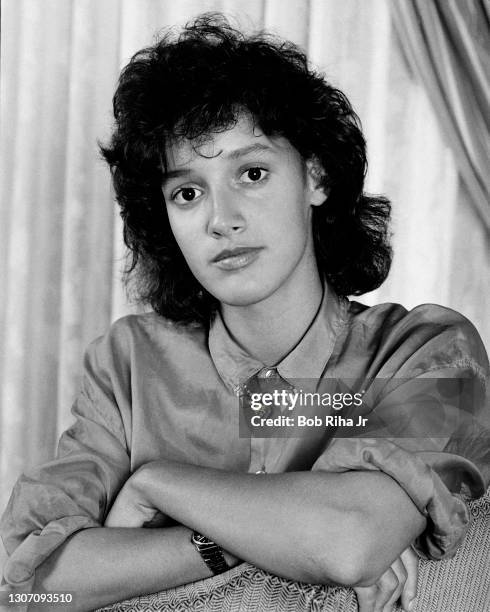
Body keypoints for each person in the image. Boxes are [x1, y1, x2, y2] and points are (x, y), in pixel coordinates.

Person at [1, 13, 489, 612]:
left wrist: (157, 484)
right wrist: (223, 542)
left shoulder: (433, 349)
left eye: (252, 173)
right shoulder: (126, 364)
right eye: (188, 192)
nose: (220, 219)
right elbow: (31, 593)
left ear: (316, 175)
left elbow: (347, 541)